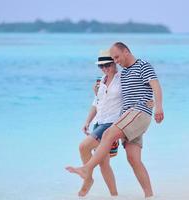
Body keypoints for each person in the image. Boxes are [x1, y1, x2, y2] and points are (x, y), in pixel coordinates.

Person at [67, 42, 164, 199]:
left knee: (108, 134)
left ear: (126, 51)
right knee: (133, 159)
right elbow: (108, 98)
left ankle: (87, 169)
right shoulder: (124, 74)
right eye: (113, 59)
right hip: (127, 117)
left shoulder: (143, 65)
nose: (116, 61)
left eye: (116, 57)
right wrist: (98, 92)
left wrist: (158, 107)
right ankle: (149, 196)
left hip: (137, 112)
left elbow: (156, 86)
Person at [66, 50, 122, 197]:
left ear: (115, 63)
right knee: (104, 163)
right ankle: (115, 196)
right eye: (101, 66)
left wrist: (149, 102)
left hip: (112, 124)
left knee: (83, 146)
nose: (104, 69)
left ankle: (88, 177)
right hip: (99, 122)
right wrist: (87, 121)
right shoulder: (100, 81)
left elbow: (134, 94)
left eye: (107, 65)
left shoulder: (122, 79)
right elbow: (96, 104)